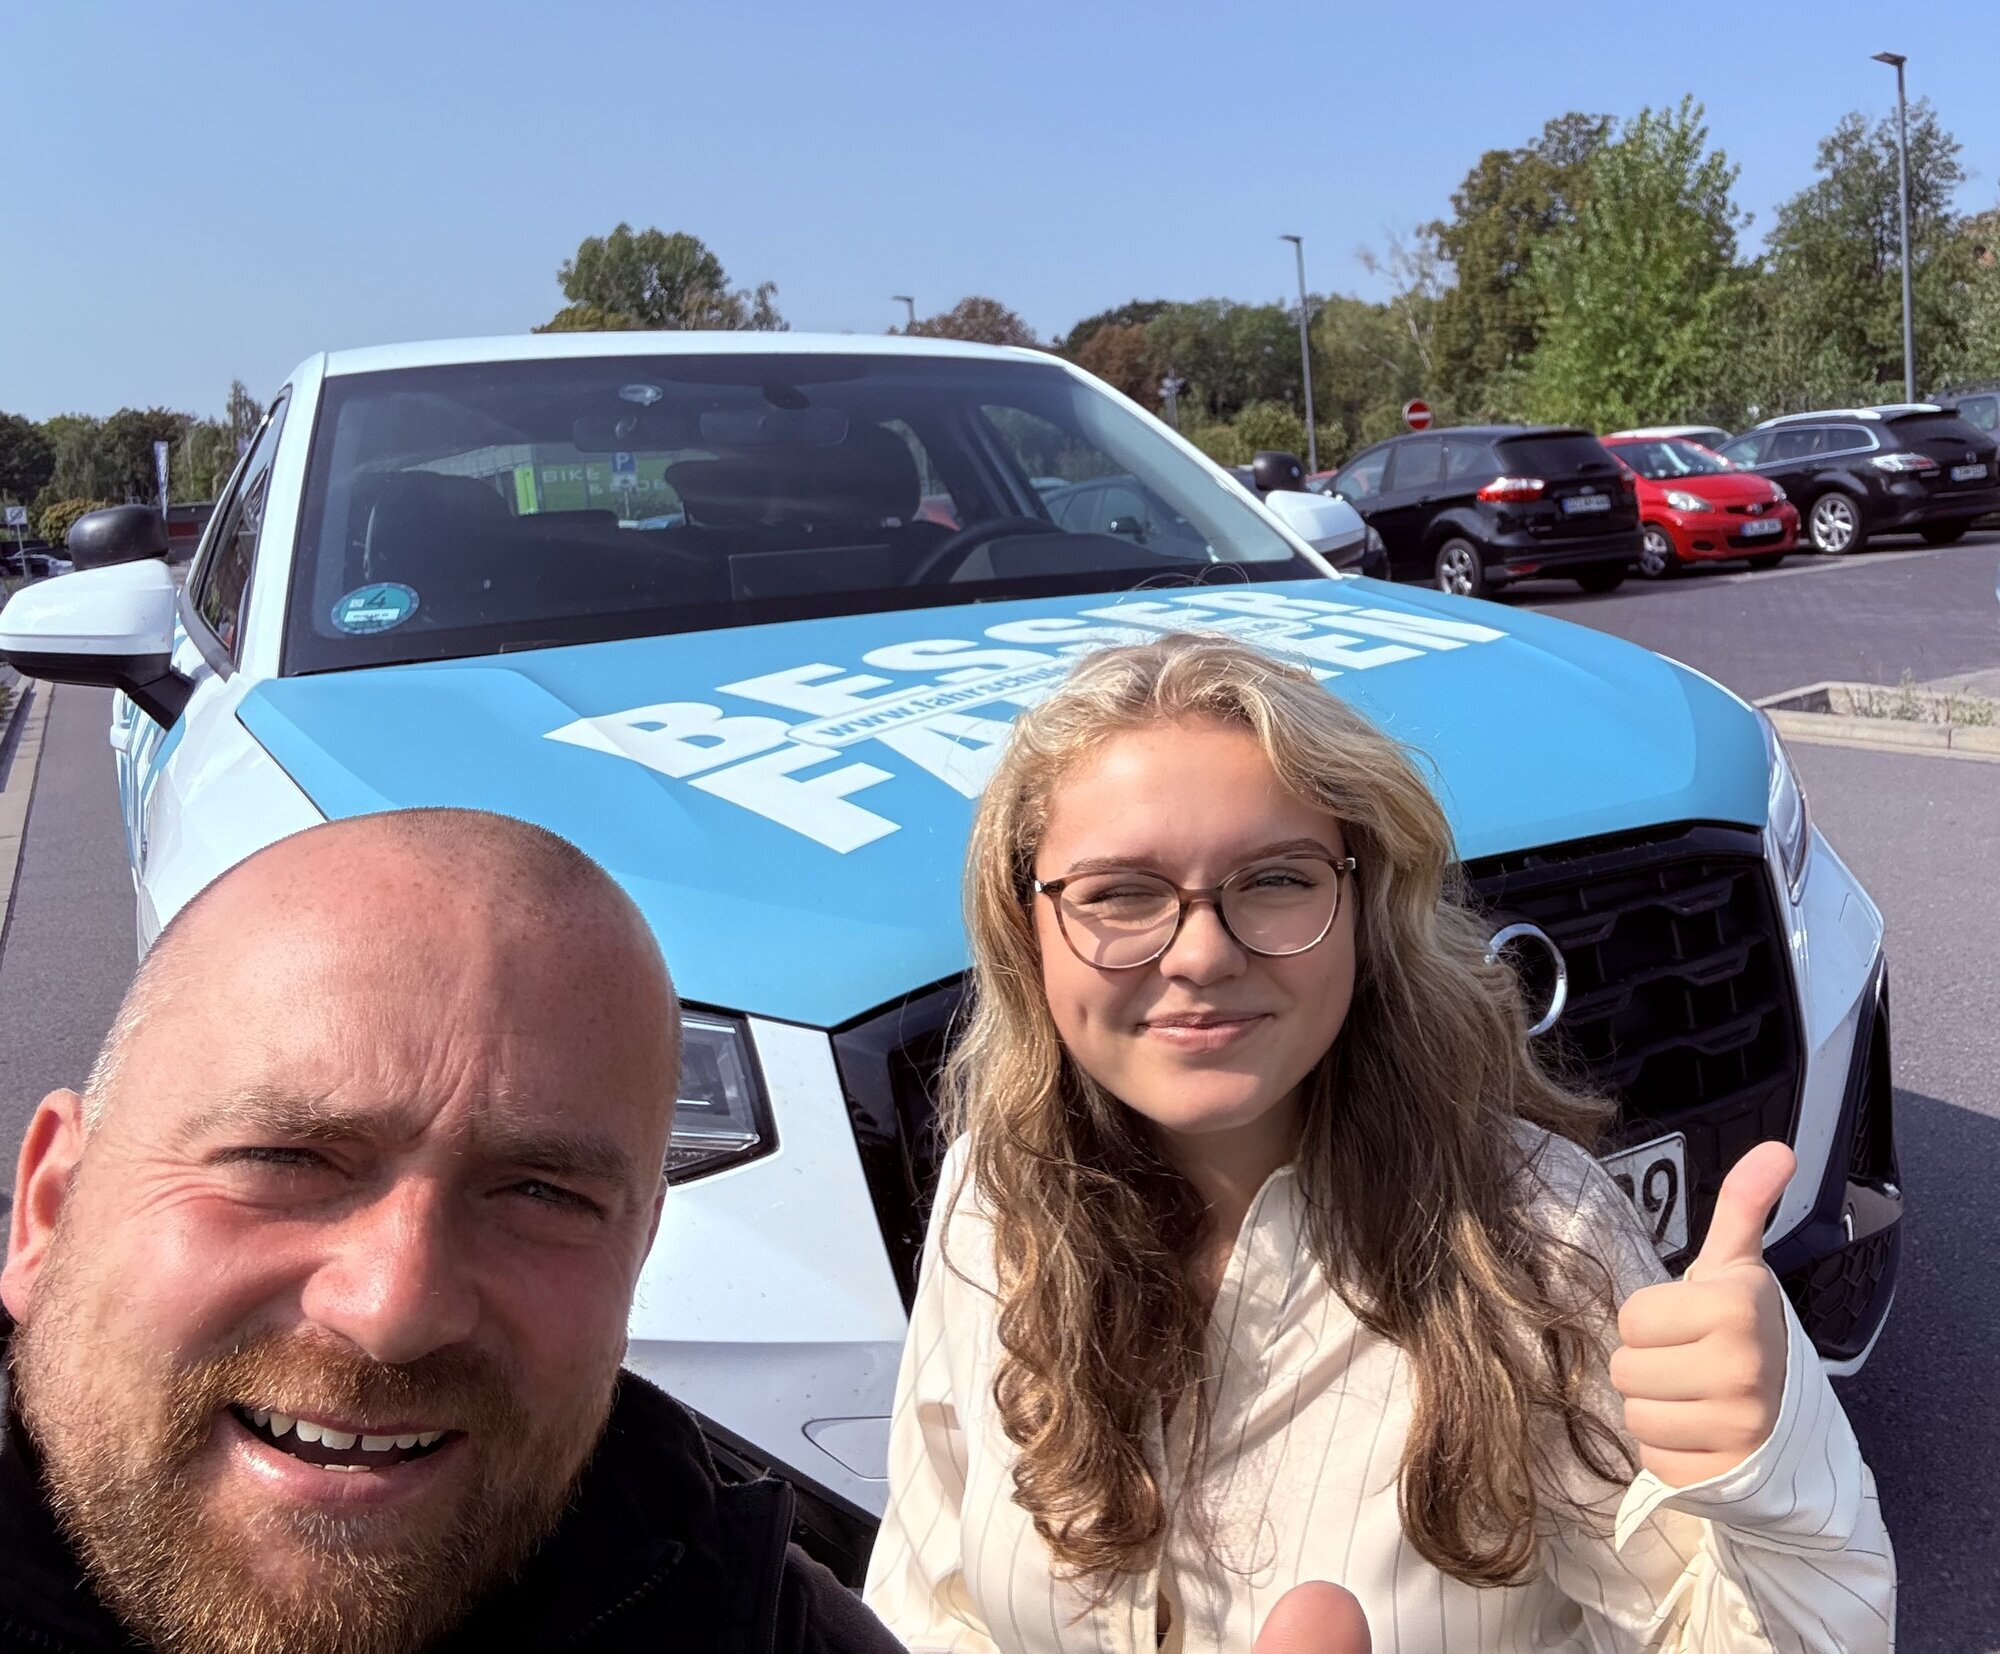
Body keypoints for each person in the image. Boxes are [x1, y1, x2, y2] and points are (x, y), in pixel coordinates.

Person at [864, 635, 1895, 1652]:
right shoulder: (991, 1198)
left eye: (1275, 879)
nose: (1202, 952)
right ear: (1022, 921)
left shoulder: (1531, 1231)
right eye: (1119, 893)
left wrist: (1772, 1466)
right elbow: (930, 1602)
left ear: (1362, 904)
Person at [1, 809, 902, 1654]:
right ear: (49, 1204)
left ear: (636, 1259)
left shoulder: (764, 1623)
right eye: (286, 1159)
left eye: (542, 1194)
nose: (396, 1310)